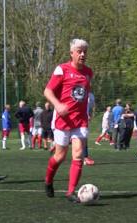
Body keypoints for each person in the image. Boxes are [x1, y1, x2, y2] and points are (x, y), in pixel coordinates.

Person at [43, 38, 93, 203]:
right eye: (79, 51)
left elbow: (84, 95)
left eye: (85, 51)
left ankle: (70, 192)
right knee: (60, 156)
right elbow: (48, 91)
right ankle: (49, 180)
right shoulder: (62, 70)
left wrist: (88, 111)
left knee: (78, 154)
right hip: (63, 120)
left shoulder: (88, 72)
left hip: (80, 120)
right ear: (72, 53)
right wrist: (57, 105)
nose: (83, 54)